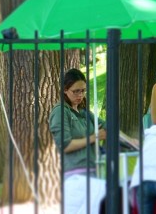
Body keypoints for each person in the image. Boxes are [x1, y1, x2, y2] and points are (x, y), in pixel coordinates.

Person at [49, 68, 107, 213]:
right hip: (75, 178)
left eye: (83, 90)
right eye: (76, 91)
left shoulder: (84, 113)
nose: (80, 95)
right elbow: (65, 145)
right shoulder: (60, 111)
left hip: (95, 174)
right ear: (65, 90)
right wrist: (94, 138)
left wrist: (130, 140)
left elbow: (107, 126)